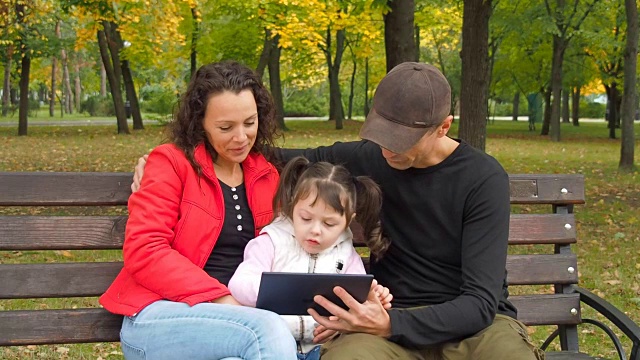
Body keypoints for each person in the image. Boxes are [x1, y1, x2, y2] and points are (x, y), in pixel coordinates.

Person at [132, 62, 545, 359]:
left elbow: (479, 302)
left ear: (444, 127)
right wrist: (172, 158)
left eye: (401, 139)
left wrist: (386, 323)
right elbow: (274, 157)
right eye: (382, 134)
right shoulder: (371, 157)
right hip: (382, 318)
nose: (388, 149)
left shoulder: (483, 179)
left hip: (469, 327)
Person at [99, 61, 298, 360]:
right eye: (225, 127)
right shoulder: (171, 163)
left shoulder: (267, 175)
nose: (241, 137)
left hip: (239, 322)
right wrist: (223, 299)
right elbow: (145, 249)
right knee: (265, 332)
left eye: (250, 122)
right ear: (199, 122)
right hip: (162, 314)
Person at [228, 156, 393, 360]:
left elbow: (355, 299)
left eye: (329, 224)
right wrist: (283, 292)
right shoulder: (271, 242)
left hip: (322, 349)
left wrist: (371, 299)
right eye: (306, 218)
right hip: (274, 345)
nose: (315, 231)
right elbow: (240, 283)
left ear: (347, 221)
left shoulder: (346, 254)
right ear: (292, 208)